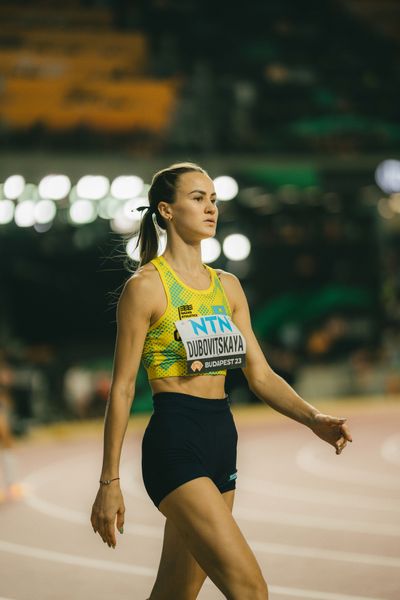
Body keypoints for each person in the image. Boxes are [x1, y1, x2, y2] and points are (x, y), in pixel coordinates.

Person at [90, 162, 353, 600]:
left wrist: (313, 418)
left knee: (175, 593)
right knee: (251, 590)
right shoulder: (147, 287)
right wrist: (108, 483)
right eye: (197, 198)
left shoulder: (227, 287)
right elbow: (121, 389)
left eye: (213, 199)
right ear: (167, 210)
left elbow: (261, 374)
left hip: (220, 440)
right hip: (175, 443)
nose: (210, 208)